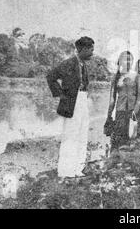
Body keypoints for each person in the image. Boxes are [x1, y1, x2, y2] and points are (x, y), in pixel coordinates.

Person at [46, 36, 94, 178]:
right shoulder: (68, 63)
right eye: (91, 49)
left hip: (82, 100)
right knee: (70, 136)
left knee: (82, 134)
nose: (92, 52)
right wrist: (61, 95)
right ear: (82, 49)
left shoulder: (83, 65)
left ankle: (77, 169)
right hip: (72, 102)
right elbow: (51, 77)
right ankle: (66, 171)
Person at [106, 51, 140, 151]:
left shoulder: (137, 76)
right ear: (120, 61)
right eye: (124, 59)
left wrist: (135, 112)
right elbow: (112, 99)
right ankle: (116, 163)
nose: (127, 61)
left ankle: (131, 164)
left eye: (129, 59)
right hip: (120, 112)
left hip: (133, 112)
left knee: (133, 139)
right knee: (118, 140)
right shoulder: (116, 77)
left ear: (132, 61)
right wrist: (109, 115)